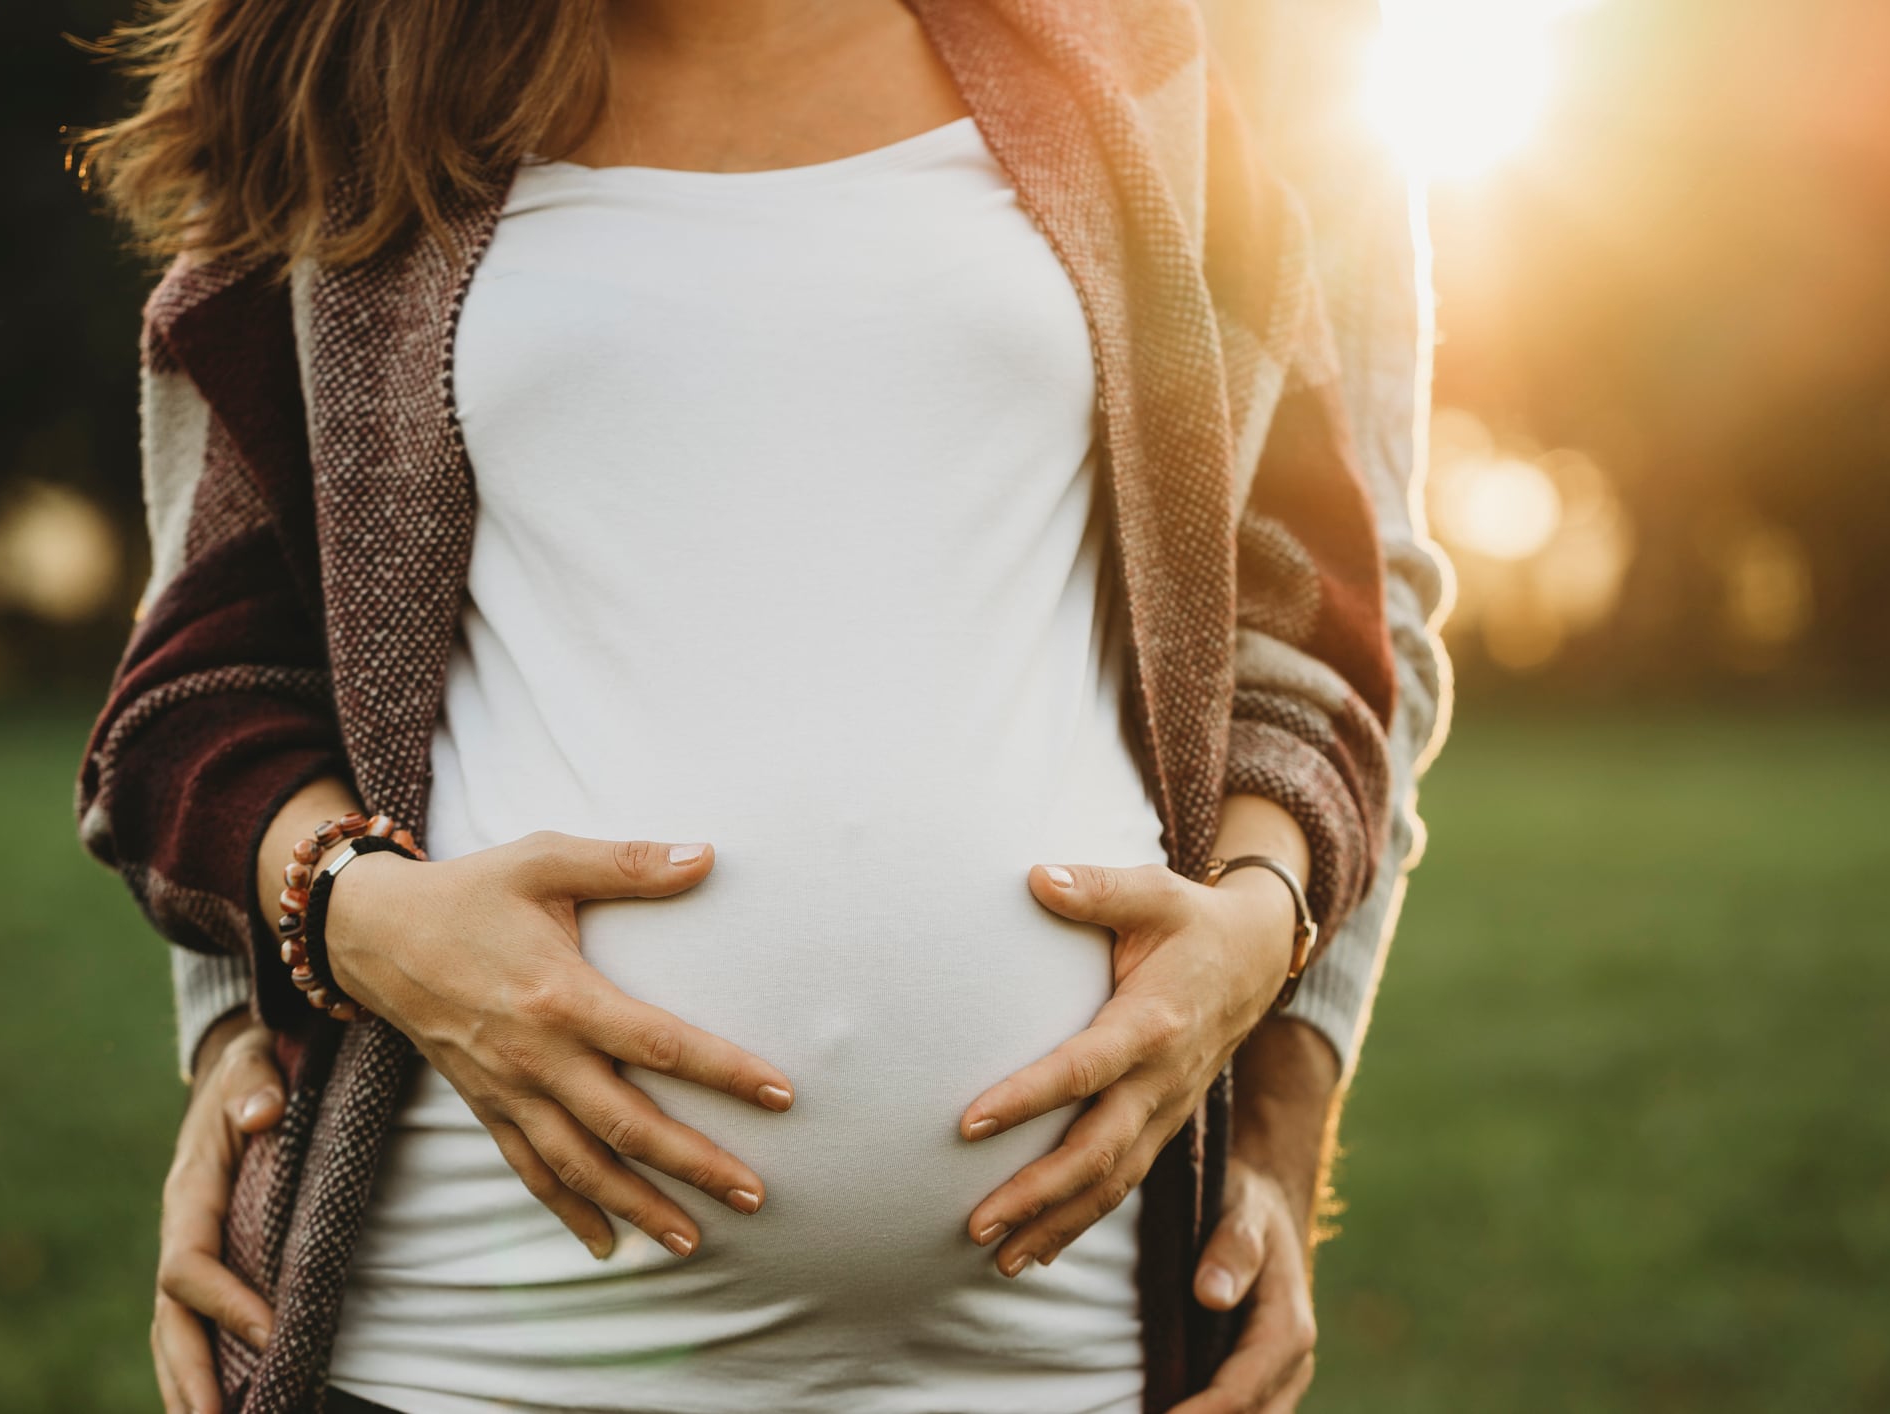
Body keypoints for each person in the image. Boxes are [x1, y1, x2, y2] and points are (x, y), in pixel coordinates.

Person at [74, 1, 1446, 1411]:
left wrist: (1257, 927)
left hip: (1053, 1358)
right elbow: (203, 678)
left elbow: (1313, 621)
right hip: (467, 1339)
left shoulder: (1157, 74)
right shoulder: (365, 72)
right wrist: (332, 928)